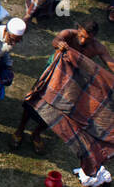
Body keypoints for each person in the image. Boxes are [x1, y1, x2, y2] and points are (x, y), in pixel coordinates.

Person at [14, 20, 114, 151]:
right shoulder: (68, 34)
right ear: (78, 29)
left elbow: (111, 63)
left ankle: (37, 133)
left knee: (60, 110)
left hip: (74, 81)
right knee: (35, 101)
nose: (83, 41)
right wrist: (59, 44)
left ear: (93, 38)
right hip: (55, 72)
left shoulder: (97, 47)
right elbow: (56, 40)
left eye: (87, 39)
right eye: (82, 36)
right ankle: (20, 130)